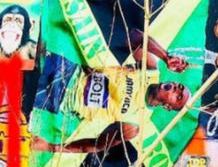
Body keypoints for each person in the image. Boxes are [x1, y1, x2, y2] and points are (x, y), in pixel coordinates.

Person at [31, 29, 190, 153]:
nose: (177, 88)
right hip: (67, 70)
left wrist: (51, 147)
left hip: (60, 99)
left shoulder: (134, 123)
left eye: (178, 96)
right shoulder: (150, 70)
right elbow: (133, 36)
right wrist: (165, 56)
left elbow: (96, 145)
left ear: (167, 107)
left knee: (20, 88)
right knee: (22, 58)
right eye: (179, 86)